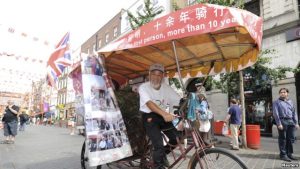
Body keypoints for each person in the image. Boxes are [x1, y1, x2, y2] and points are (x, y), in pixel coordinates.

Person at [138, 63, 181, 169]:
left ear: (162, 76)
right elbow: (149, 104)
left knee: (177, 139)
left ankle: (160, 157)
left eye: (159, 75)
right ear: (149, 75)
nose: (156, 77)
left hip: (162, 116)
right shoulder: (143, 87)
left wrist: (188, 105)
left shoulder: (166, 87)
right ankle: (158, 166)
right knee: (159, 146)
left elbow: (178, 99)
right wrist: (165, 114)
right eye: (154, 74)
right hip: (149, 117)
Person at [272, 88, 299, 162]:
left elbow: (294, 112)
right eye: (281, 92)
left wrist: (296, 123)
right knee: (283, 139)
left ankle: (289, 154)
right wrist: (279, 123)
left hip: (291, 121)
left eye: (284, 92)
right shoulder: (276, 102)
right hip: (282, 120)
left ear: (287, 93)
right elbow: (276, 114)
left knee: (291, 138)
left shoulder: (290, 102)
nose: (282, 93)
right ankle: (283, 155)